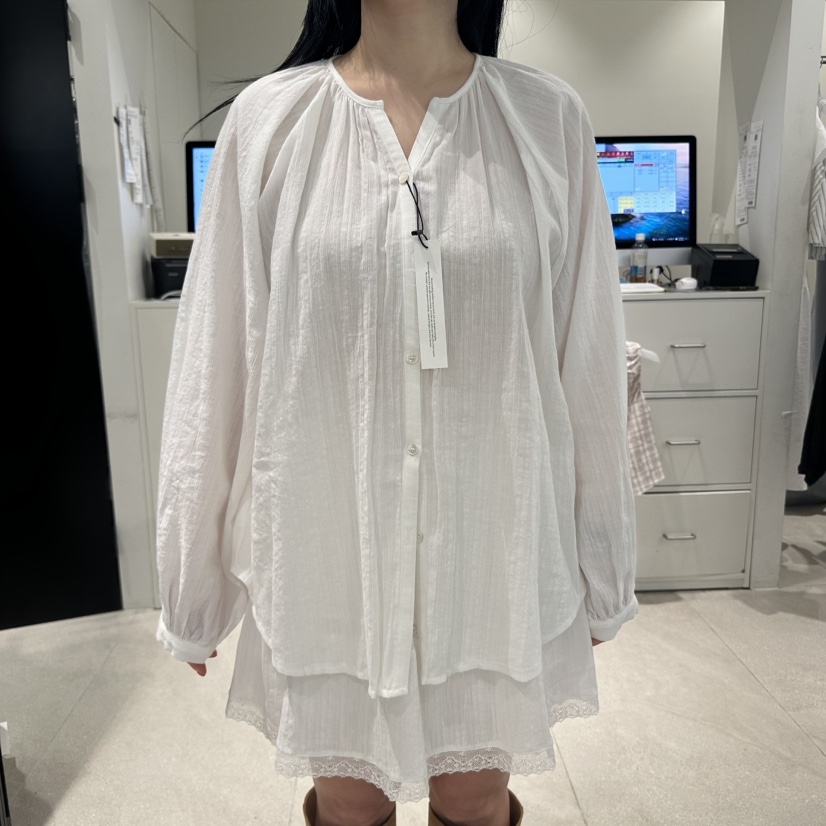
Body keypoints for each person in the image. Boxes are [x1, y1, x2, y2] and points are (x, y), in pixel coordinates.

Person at [154, 2, 639, 825]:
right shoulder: (270, 123)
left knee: (476, 801)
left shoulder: (545, 119)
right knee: (348, 804)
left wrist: (601, 567)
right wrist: (191, 585)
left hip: (491, 558)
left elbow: (585, 356)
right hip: (328, 557)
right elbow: (217, 358)